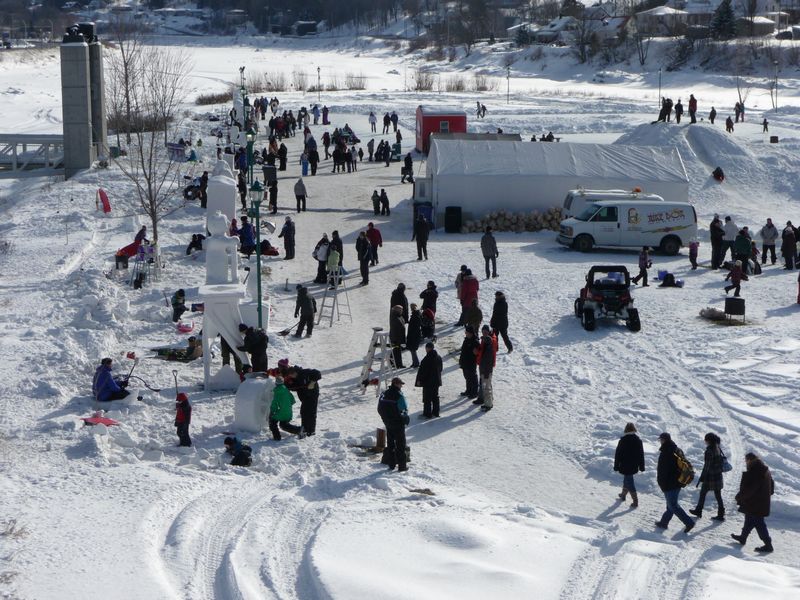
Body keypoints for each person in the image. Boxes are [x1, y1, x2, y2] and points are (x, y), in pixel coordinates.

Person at [731, 452, 775, 553]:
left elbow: (751, 489)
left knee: (759, 523)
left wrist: (739, 497)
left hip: (756, 502)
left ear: (750, 460)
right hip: (758, 501)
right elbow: (771, 485)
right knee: (749, 518)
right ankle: (743, 537)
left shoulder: (756, 471)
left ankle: (768, 545)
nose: (745, 463)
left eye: (746, 460)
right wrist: (766, 493)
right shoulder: (764, 468)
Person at [654, 432, 696, 533]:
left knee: (673, 505)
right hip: (678, 481)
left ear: (664, 440)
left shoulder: (666, 452)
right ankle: (664, 522)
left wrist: (662, 484)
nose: (660, 441)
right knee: (670, 504)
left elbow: (664, 471)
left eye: (661, 440)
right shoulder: (676, 449)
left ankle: (689, 523)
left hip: (670, 483)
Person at [690, 433, 726, 521]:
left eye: (705, 440)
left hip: (710, 477)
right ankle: (721, 514)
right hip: (718, 475)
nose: (705, 441)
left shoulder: (709, 451)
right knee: (718, 495)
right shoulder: (717, 447)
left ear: (709, 440)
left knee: (703, 493)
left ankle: (698, 511)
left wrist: (702, 477)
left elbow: (707, 466)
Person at [378, 377, 409, 471]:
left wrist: (385, 419)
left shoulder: (384, 394)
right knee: (400, 445)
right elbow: (403, 410)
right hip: (398, 423)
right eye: (400, 384)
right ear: (396, 384)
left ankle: (391, 464)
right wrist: (405, 420)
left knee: (390, 444)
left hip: (388, 423)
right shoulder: (399, 395)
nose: (401, 386)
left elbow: (379, 408)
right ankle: (402, 466)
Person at [613, 422, 645, 508]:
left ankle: (635, 501)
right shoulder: (638, 440)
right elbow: (641, 454)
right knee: (627, 479)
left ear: (626, 430)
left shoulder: (623, 440)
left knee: (629, 482)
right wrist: (641, 466)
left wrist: (616, 466)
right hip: (634, 465)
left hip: (624, 464)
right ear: (634, 429)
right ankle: (623, 495)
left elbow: (618, 454)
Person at [286, 366, 322, 436]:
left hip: (313, 395)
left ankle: (311, 431)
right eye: (290, 376)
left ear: (295, 372)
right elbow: (295, 387)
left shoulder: (305, 372)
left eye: (292, 375)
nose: (292, 377)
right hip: (305, 397)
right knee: (303, 412)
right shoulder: (294, 379)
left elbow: (318, 374)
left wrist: (313, 382)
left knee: (311, 413)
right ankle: (304, 429)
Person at [415, 341, 442, 418]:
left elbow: (424, 371)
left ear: (428, 348)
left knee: (427, 398)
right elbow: (440, 369)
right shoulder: (438, 357)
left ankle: (427, 413)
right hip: (436, 381)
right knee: (435, 397)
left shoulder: (427, 359)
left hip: (428, 382)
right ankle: (436, 412)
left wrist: (420, 380)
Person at [476, 325, 497, 412]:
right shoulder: (487, 346)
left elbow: (488, 362)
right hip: (485, 369)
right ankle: (488, 402)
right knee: (486, 386)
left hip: (486, 371)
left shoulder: (489, 349)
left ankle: (488, 404)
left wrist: (486, 373)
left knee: (486, 387)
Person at [458, 326, 480, 399]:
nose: (465, 333)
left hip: (471, 362)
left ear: (471, 333)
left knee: (472, 377)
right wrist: (461, 361)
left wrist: (476, 353)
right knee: (467, 377)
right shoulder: (466, 340)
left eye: (467, 332)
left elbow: (478, 352)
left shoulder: (475, 341)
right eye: (465, 332)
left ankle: (474, 392)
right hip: (465, 362)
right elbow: (463, 351)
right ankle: (468, 390)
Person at [406, 304, 422, 368]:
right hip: (413, 335)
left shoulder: (415, 316)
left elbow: (414, 327)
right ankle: (414, 362)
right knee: (412, 350)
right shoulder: (416, 315)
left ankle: (416, 363)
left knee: (413, 350)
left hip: (414, 336)